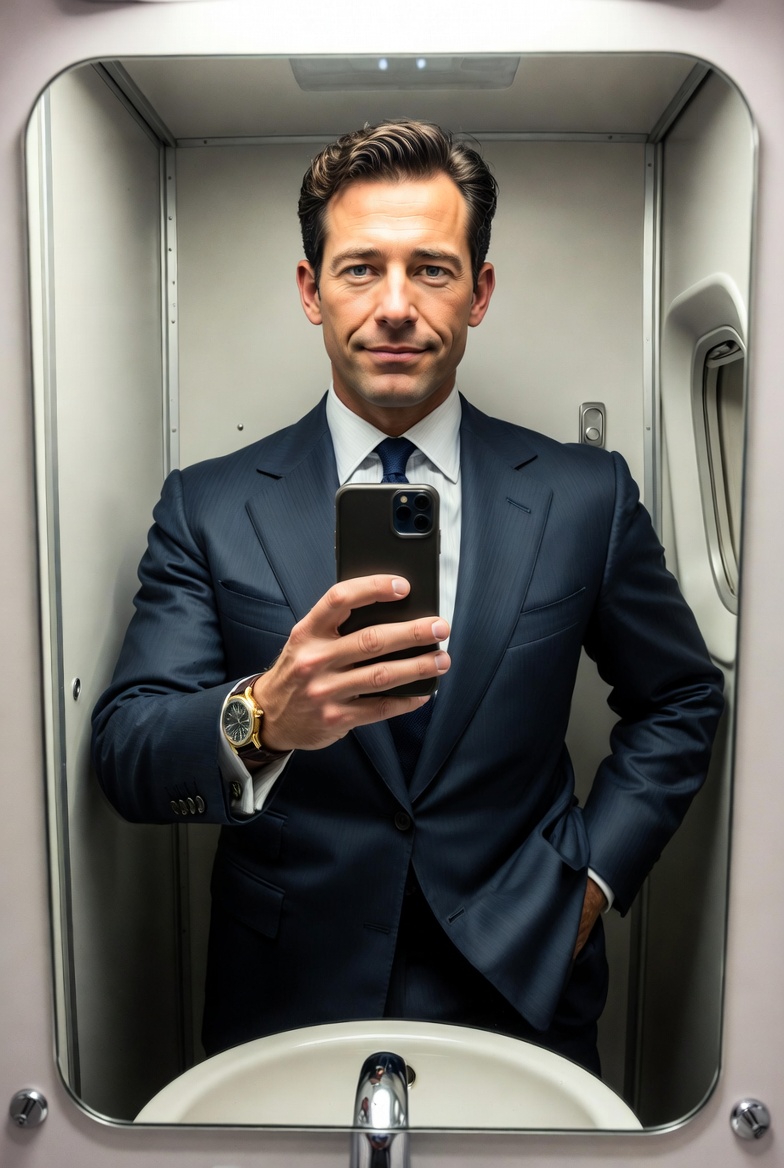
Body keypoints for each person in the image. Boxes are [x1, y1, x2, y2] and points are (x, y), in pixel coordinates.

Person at [91, 120, 724, 1076]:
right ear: (312, 290)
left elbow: (680, 698)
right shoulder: (208, 507)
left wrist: (591, 881)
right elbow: (127, 750)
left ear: (480, 291)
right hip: (285, 989)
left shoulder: (584, 498)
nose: (395, 306)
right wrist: (263, 717)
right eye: (360, 269)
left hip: (526, 972)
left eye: (431, 269)